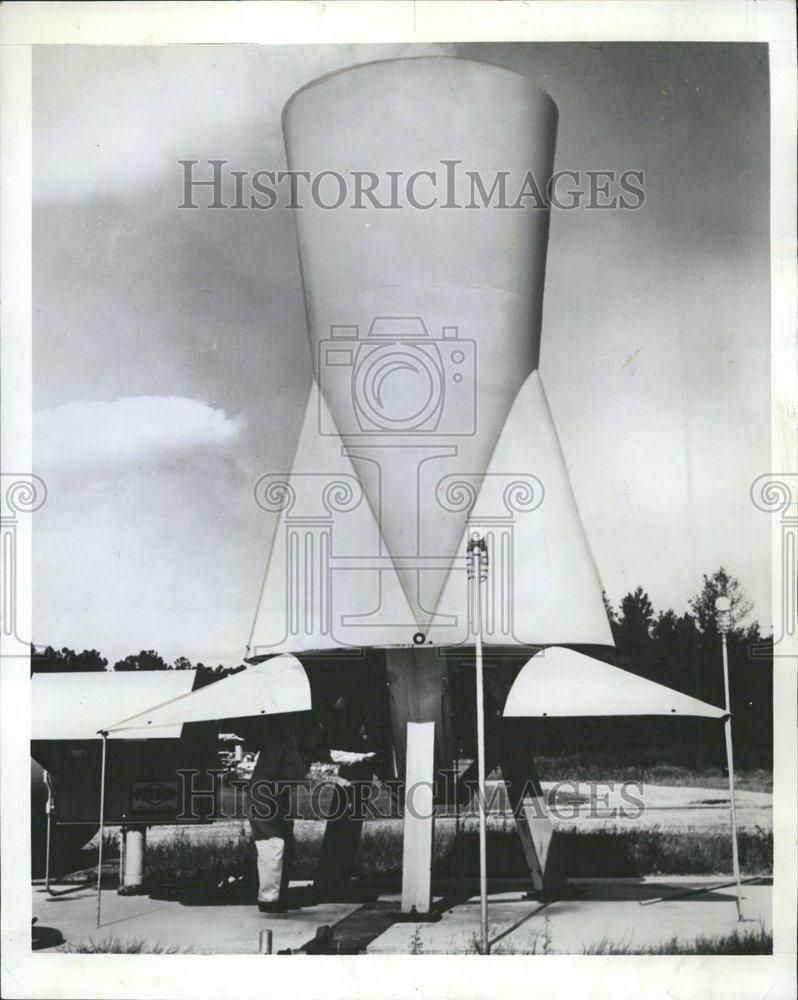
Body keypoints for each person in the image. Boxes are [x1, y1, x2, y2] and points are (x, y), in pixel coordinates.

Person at [245, 711, 374, 912]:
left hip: (280, 799)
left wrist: (363, 757)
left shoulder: (309, 747)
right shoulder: (280, 744)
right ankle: (268, 901)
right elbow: (266, 778)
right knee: (274, 845)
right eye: (315, 735)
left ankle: (279, 894)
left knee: (286, 848)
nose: (318, 741)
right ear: (303, 731)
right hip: (264, 798)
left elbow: (334, 755)